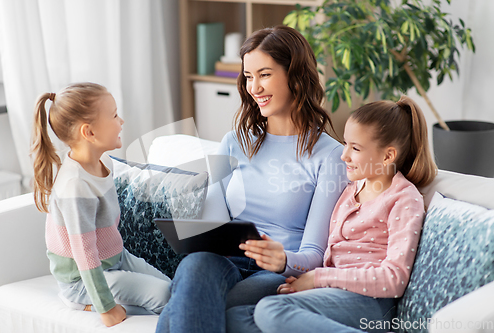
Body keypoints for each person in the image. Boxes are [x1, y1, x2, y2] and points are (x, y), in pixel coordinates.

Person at [156, 25, 348, 333]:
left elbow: (315, 254)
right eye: (248, 77)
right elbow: (213, 223)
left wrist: (283, 259)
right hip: (225, 262)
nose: (254, 87)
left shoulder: (331, 156)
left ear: (295, 75)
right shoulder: (233, 141)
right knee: (194, 267)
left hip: (275, 273)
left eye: (265, 74)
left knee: (191, 300)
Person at [226, 95, 437, 333]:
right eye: (345, 144)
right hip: (331, 293)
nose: (343, 155)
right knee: (234, 317)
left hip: (371, 303)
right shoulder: (350, 190)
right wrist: (311, 283)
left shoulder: (404, 198)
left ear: (388, 156)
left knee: (270, 310)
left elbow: (394, 279)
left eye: (355, 148)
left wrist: (317, 279)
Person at [31, 82, 171, 327]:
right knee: (165, 296)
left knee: (173, 286)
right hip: (82, 280)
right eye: (114, 115)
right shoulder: (75, 186)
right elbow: (85, 255)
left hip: (115, 258)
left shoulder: (98, 164)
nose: (122, 121)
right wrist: (107, 309)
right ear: (89, 133)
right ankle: (82, 300)